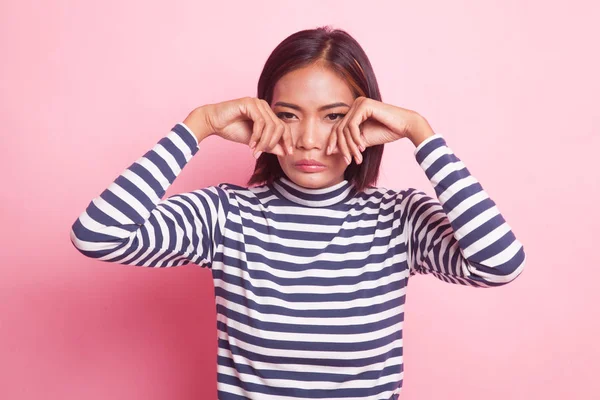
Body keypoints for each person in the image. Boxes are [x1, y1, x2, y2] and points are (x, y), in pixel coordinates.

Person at [70, 26, 526, 400]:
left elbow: (499, 265)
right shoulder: (225, 215)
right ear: (263, 115)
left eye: (332, 116)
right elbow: (97, 235)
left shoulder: (399, 218)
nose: (309, 139)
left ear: (367, 120)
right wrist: (199, 125)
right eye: (288, 115)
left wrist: (420, 133)